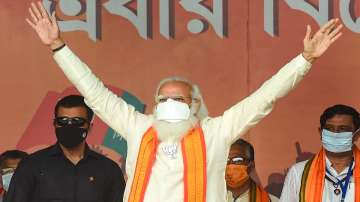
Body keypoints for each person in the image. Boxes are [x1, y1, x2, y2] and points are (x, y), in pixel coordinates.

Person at [26, 2, 343, 201]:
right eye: (163, 98)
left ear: (193, 105)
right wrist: (57, 46)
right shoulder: (138, 126)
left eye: (178, 98)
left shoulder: (215, 132)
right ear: (153, 103)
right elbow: (93, 91)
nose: (170, 103)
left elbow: (265, 96)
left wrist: (305, 59)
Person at [4, 95, 126, 202]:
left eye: (77, 121)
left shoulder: (109, 170)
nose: (69, 126)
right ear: (54, 124)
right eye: (63, 121)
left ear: (89, 127)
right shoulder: (31, 166)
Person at [280, 104, 360, 202]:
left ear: (356, 135)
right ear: (320, 133)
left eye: (342, 129)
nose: (335, 134)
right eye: (329, 129)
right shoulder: (299, 172)